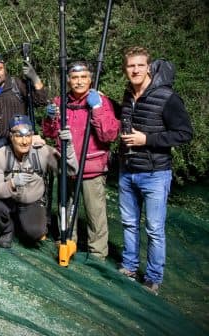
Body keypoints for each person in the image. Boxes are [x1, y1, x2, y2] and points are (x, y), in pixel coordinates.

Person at [117, 46, 192, 295]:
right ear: (125, 69)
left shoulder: (167, 97)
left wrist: (146, 140)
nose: (135, 70)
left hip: (155, 173)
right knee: (129, 223)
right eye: (131, 66)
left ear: (148, 67)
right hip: (127, 169)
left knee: (154, 229)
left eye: (140, 65)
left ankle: (152, 277)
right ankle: (128, 266)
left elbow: (184, 134)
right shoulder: (128, 95)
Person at [42, 61, 120, 260]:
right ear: (68, 80)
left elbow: (109, 135)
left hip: (91, 167)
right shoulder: (60, 102)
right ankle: (68, 241)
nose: (79, 82)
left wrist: (98, 109)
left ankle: (97, 254)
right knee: (65, 209)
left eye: (83, 77)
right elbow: (50, 133)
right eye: (74, 78)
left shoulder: (100, 101)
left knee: (95, 214)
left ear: (90, 79)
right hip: (67, 165)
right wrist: (49, 118)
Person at [0, 115, 77, 247]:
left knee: (35, 233)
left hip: (31, 203)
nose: (24, 141)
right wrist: (12, 183)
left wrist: (68, 147)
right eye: (18, 136)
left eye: (28, 135)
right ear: (11, 137)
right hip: (9, 201)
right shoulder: (1, 155)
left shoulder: (42, 152)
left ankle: (24, 224)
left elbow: (71, 171)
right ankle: (8, 228)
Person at [0, 53, 48, 148]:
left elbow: (42, 101)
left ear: (4, 69)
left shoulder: (17, 84)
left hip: (21, 143)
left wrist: (35, 78)